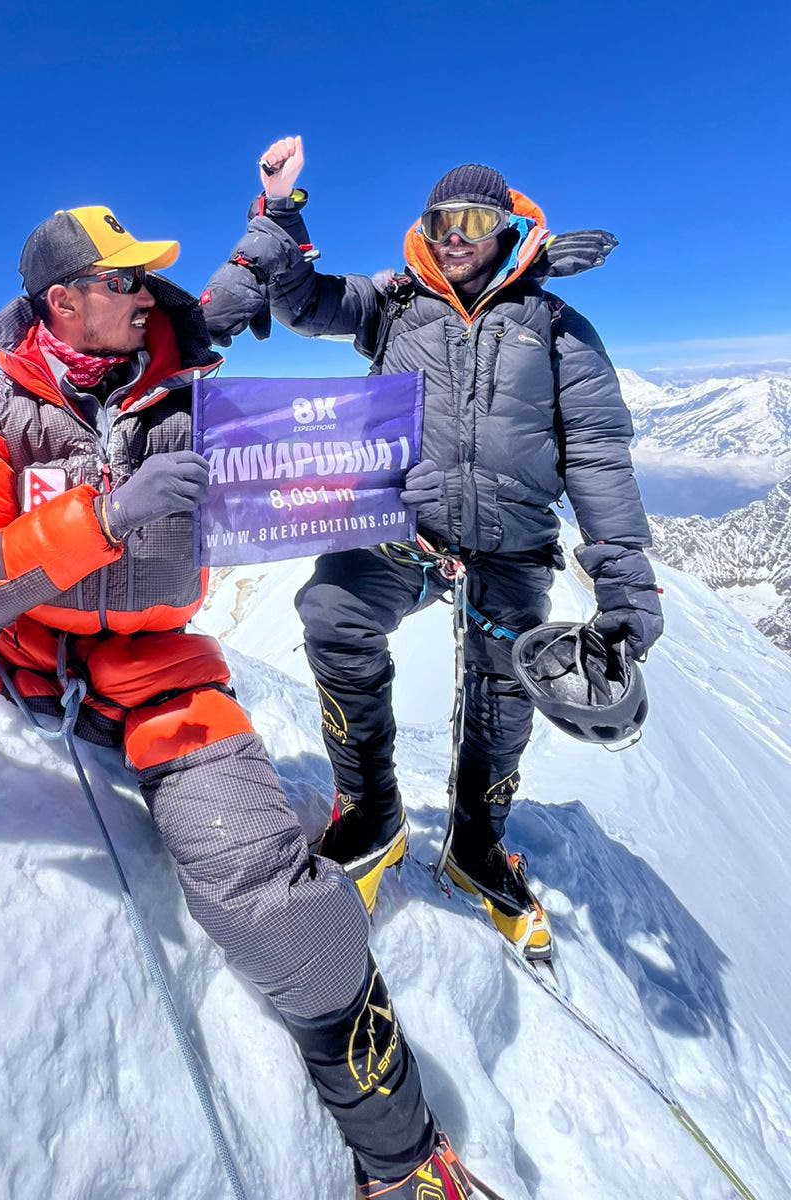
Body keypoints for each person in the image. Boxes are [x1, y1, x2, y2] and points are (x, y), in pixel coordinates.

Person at [0, 205, 482, 1197]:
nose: (144, 294)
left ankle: (402, 1159)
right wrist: (98, 519)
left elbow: (314, 462)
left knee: (278, 908)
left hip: (162, 677)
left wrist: (406, 488)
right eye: (124, 280)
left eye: (147, 280)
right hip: (13, 668)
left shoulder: (187, 394)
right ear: (64, 300)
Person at [207, 137, 663, 964]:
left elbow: (598, 455)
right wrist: (275, 209)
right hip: (406, 533)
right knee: (331, 612)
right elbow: (306, 301)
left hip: (512, 545)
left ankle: (478, 842)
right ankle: (369, 809)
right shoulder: (393, 304)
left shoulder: (560, 330)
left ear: (506, 226)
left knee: (503, 691)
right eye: (439, 220)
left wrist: (626, 588)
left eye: (474, 220)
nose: (454, 235)